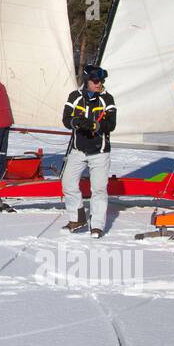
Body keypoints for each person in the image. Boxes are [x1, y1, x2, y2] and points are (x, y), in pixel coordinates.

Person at [61, 66, 117, 235]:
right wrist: (77, 122)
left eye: (101, 81)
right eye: (96, 81)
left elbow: (111, 124)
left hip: (100, 153)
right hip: (78, 151)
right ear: (87, 82)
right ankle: (77, 218)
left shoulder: (107, 99)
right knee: (68, 184)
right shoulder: (75, 96)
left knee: (99, 189)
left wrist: (94, 125)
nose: (99, 84)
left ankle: (98, 225)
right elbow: (66, 119)